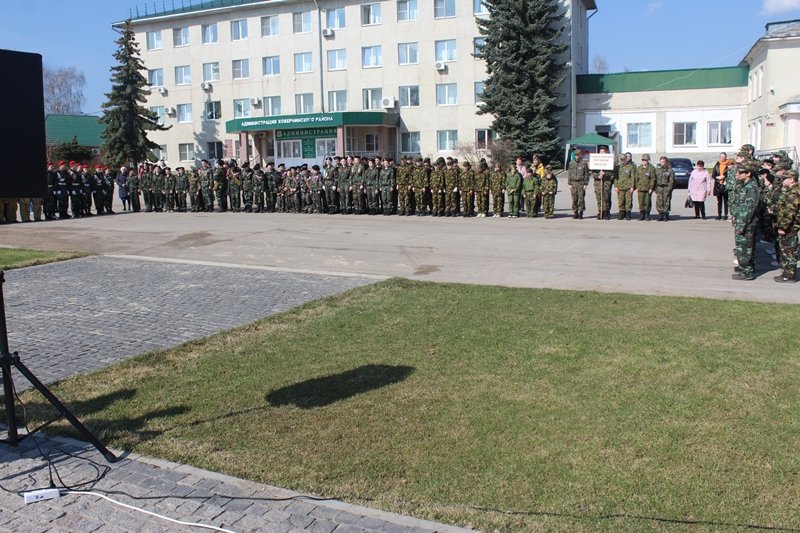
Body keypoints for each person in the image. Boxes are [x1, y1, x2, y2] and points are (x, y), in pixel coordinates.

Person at [730, 160, 762, 280]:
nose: (737, 175)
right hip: (742, 221)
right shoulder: (746, 186)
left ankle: (746, 271)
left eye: (740, 173)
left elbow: (748, 209)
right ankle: (745, 268)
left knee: (744, 247)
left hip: (746, 223)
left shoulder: (751, 188)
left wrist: (741, 225)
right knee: (744, 247)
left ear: (748, 173)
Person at [774, 169, 800, 282]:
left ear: (792, 180)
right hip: (788, 227)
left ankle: (789, 276)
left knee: (789, 251)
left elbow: (790, 212)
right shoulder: (791, 190)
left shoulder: (794, 192)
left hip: (789, 228)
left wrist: (783, 227)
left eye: (785, 178)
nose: (783, 180)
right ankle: (786, 273)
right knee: (786, 250)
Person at [591, 147, 613, 220]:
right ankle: (600, 212)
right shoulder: (596, 160)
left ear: (606, 152)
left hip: (606, 183)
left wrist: (605, 174)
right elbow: (593, 173)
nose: (602, 153)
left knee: (606, 197)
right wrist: (598, 176)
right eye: (601, 151)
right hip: (598, 183)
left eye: (603, 151)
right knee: (599, 198)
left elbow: (612, 173)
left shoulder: (609, 160)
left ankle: (607, 212)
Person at [567, 151, 589, 219]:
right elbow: (569, 173)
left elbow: (586, 174)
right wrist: (569, 183)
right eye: (575, 155)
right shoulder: (571, 163)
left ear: (580, 155)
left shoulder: (584, 163)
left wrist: (585, 184)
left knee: (581, 199)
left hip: (581, 183)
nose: (577, 156)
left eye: (578, 155)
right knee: (574, 199)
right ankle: (575, 212)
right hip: (573, 183)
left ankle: (581, 213)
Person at [615, 153, 636, 220]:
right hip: (620, 187)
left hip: (628, 187)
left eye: (623, 159)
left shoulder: (630, 167)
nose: (622, 161)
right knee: (621, 201)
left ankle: (628, 214)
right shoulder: (618, 167)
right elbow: (616, 177)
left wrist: (632, 186)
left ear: (626, 159)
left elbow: (633, 177)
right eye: (621, 160)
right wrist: (616, 186)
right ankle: (621, 214)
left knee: (628, 201)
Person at [655, 156, 675, 221]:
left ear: (666, 162)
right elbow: (655, 179)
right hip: (659, 188)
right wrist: (655, 188)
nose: (662, 163)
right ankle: (660, 215)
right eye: (661, 162)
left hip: (666, 187)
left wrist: (669, 189)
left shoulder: (670, 170)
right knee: (659, 202)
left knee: (666, 202)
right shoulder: (657, 170)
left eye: (663, 162)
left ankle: (666, 215)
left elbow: (671, 181)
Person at [711, 152, 730, 220]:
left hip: (725, 185)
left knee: (726, 201)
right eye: (720, 156)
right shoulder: (717, 165)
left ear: (725, 157)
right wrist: (717, 177)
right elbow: (713, 175)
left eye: (723, 156)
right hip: (718, 185)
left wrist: (724, 177)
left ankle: (725, 215)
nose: (721, 158)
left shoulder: (728, 164)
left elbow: (731, 174)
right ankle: (719, 215)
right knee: (719, 201)